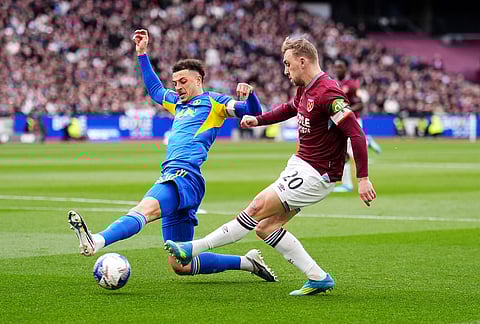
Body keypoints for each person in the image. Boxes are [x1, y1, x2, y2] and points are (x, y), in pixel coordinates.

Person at [165, 36, 377, 296]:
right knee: (266, 228)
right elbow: (290, 108)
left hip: (316, 174)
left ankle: (193, 248)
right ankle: (318, 277)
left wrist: (363, 178)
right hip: (301, 165)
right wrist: (259, 120)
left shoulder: (328, 92)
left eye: (288, 65)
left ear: (303, 61)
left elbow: (356, 133)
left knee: (256, 207)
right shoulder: (306, 88)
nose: (286, 71)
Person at [68, 29, 277, 282]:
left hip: (183, 175)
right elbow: (156, 90)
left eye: (183, 82)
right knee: (181, 264)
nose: (177, 87)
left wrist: (251, 95)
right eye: (175, 83)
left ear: (199, 79)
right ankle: (248, 262)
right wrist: (142, 53)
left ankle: (97, 240)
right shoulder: (177, 103)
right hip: (181, 179)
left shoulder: (215, 102)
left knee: (145, 209)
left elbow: (252, 113)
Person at [332, 58, 381, 192]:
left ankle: (347, 184)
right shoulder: (334, 83)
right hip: (340, 121)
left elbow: (360, 103)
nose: (337, 69)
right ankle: (367, 141)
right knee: (346, 152)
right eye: (335, 67)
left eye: (340, 67)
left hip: (352, 120)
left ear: (345, 69)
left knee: (345, 153)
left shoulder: (352, 85)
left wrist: (347, 109)